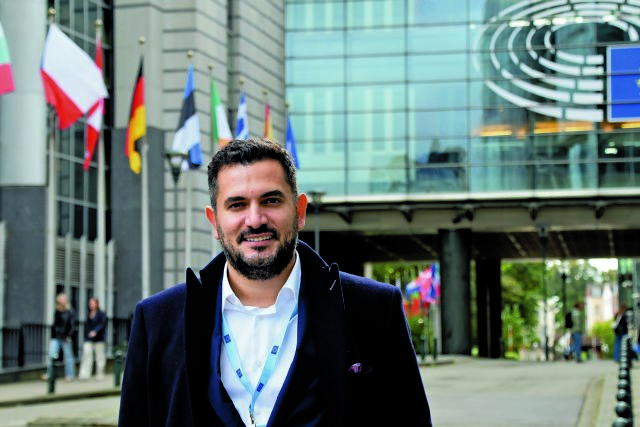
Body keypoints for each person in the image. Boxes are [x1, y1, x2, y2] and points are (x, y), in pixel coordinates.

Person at [119, 138, 432, 426]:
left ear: (299, 211)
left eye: (270, 201)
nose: (255, 220)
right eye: (237, 204)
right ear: (214, 222)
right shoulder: (157, 321)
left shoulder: (374, 309)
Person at [42, 293, 76, 382]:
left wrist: (69, 335)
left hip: (66, 337)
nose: (63, 301)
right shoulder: (57, 311)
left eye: (65, 299)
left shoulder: (70, 311)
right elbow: (55, 324)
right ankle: (50, 374)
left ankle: (70, 375)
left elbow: (72, 325)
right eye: (62, 299)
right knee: (52, 354)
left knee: (68, 356)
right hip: (56, 336)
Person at [78, 297, 107, 380]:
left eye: (93, 303)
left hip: (99, 338)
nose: (91, 305)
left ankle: (100, 374)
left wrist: (95, 331)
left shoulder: (101, 313)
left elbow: (102, 324)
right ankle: (85, 374)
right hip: (89, 338)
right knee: (87, 355)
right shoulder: (88, 314)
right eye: (90, 303)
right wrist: (87, 334)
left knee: (100, 357)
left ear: (97, 304)